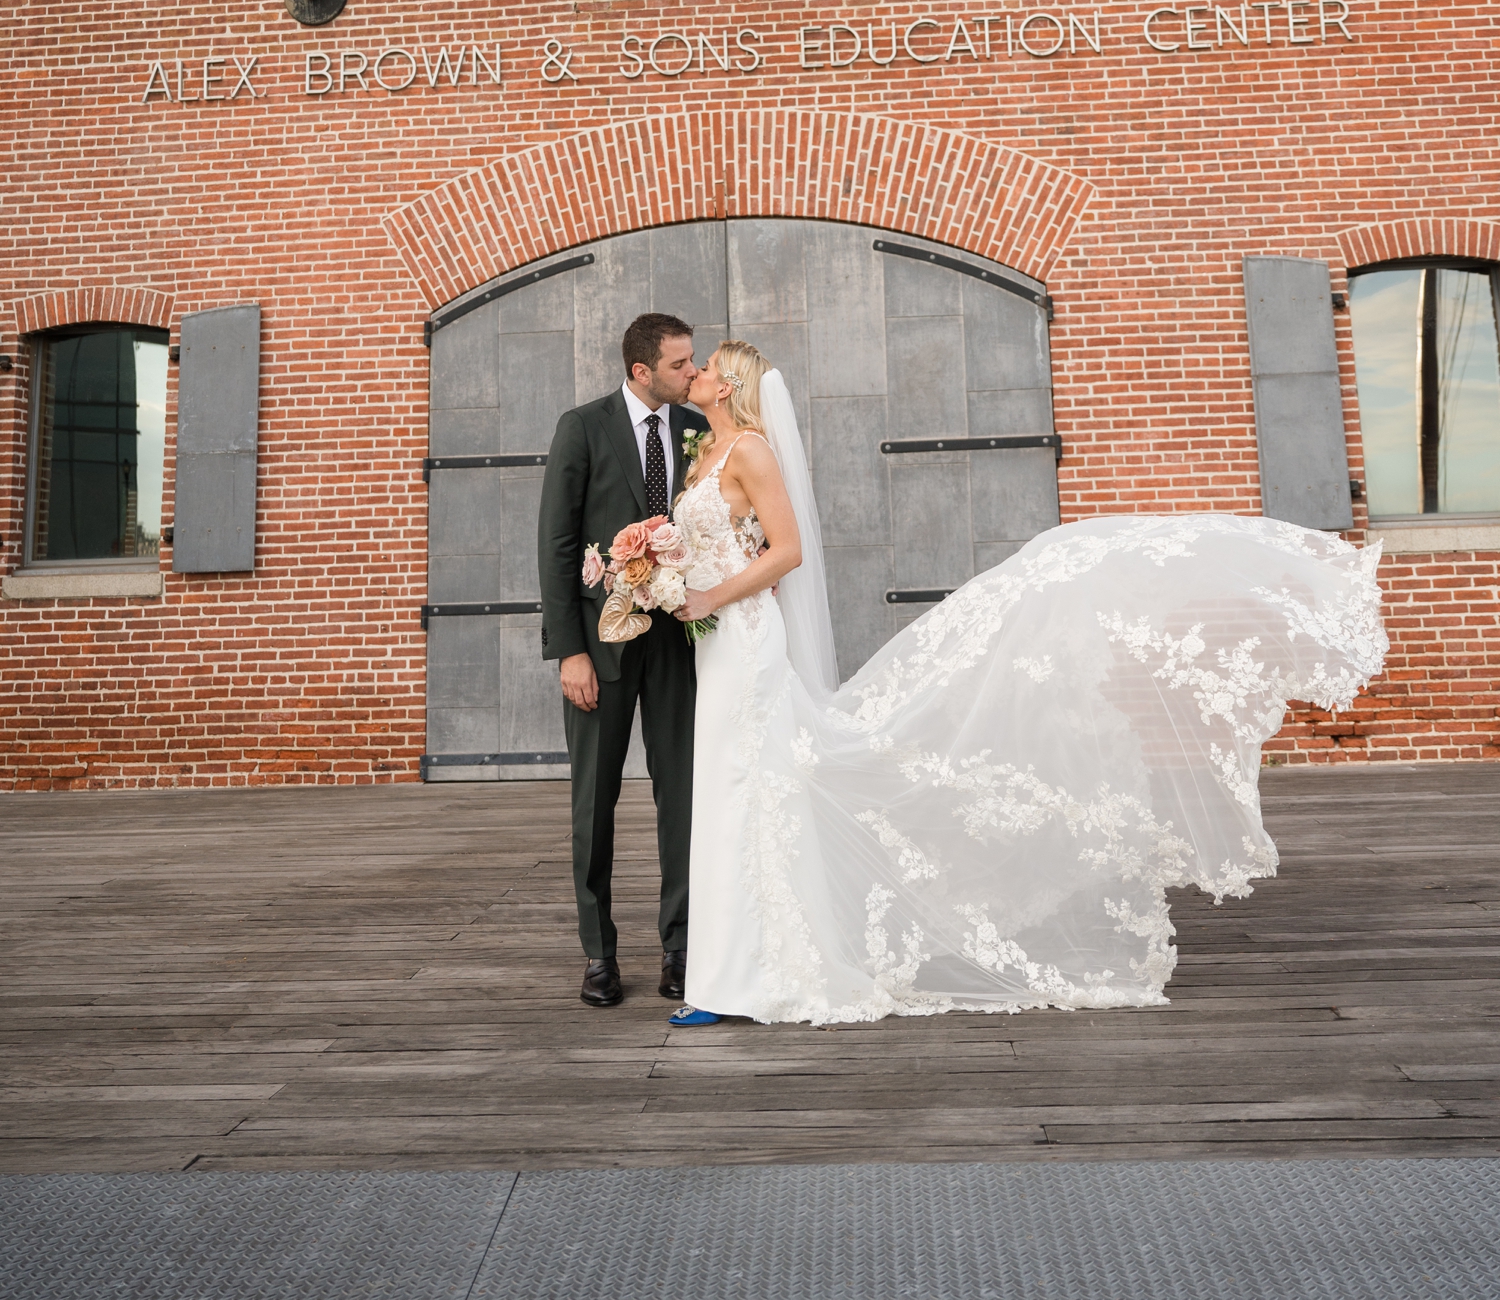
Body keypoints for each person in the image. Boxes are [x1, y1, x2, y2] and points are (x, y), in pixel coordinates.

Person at [665, 339, 1388, 1027]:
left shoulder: (752, 449)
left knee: (747, 789)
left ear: (728, 385)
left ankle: (751, 976)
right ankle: (731, 972)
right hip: (714, 644)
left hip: (744, 637)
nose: (692, 373)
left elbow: (786, 551)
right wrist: (656, 571)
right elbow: (712, 542)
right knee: (735, 794)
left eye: (704, 367)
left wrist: (710, 596)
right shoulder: (706, 452)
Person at [536, 313, 710, 1009]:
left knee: (686, 800)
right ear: (642, 371)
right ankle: (599, 954)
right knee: (594, 804)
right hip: (598, 651)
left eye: (693, 363)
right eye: (680, 365)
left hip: (680, 645)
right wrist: (568, 651)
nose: (692, 374)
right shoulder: (582, 428)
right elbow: (555, 545)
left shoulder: (695, 429)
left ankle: (682, 946)